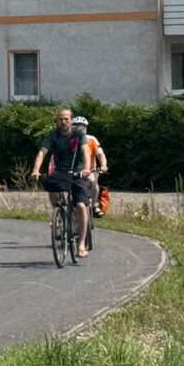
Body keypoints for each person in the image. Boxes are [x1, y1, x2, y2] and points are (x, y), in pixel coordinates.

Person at [31, 106, 95, 259]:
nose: (63, 121)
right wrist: (35, 170)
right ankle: (58, 212)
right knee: (49, 183)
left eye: (66, 119)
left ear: (71, 121)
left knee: (81, 206)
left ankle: (81, 244)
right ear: (56, 121)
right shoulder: (52, 135)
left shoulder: (78, 134)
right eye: (60, 119)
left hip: (78, 172)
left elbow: (86, 151)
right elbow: (42, 153)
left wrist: (86, 169)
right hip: (60, 172)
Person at [74, 114, 109, 216]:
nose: (79, 129)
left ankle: (93, 206)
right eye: (76, 126)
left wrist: (103, 165)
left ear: (85, 128)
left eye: (81, 127)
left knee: (94, 183)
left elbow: (100, 154)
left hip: (90, 170)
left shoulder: (91, 139)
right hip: (73, 170)